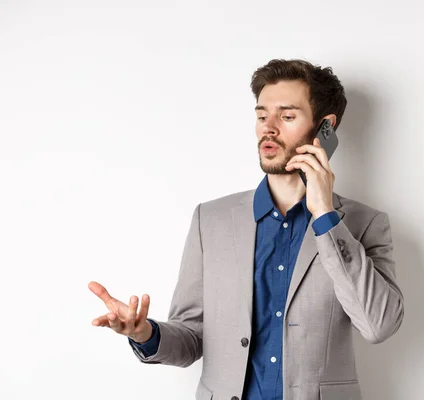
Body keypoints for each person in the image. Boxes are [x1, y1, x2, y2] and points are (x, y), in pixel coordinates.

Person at [89, 58, 404, 400]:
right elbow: (192, 337)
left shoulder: (363, 224)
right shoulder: (209, 220)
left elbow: (379, 325)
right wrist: (145, 334)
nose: (268, 128)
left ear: (325, 128)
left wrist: (325, 215)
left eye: (286, 116)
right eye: (261, 115)